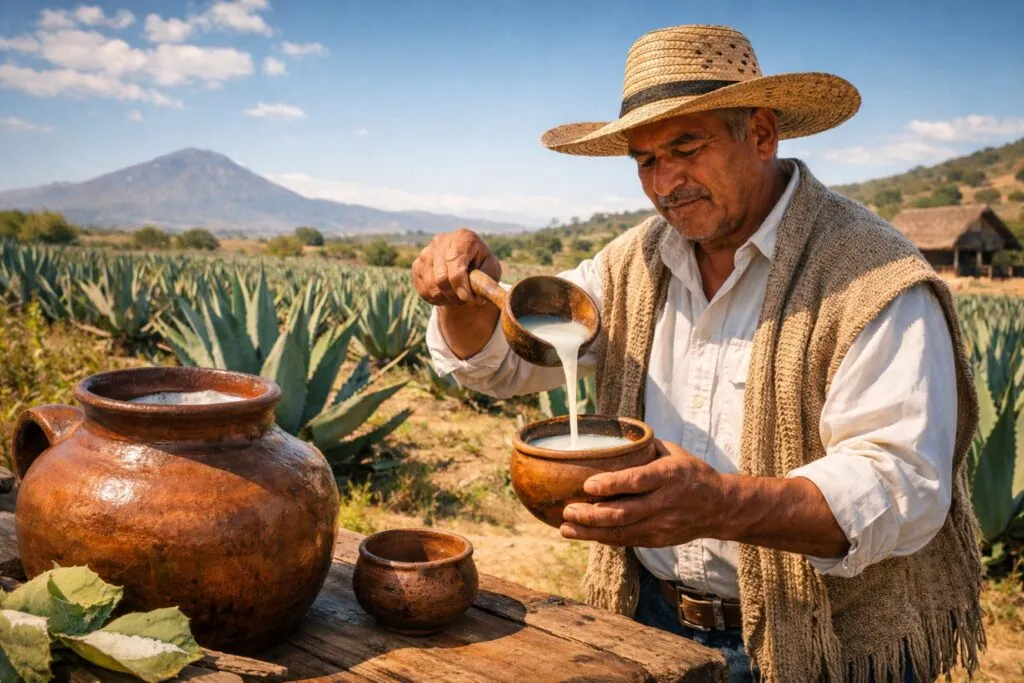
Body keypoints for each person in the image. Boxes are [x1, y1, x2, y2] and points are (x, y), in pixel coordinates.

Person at [412, 23, 984, 683]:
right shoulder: (634, 263)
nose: (666, 182)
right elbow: (505, 363)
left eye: (687, 146)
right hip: (651, 622)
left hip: (826, 640)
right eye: (647, 160)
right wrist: (461, 298)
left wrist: (721, 504)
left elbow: (901, 484)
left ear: (762, 134)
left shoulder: (865, 274)